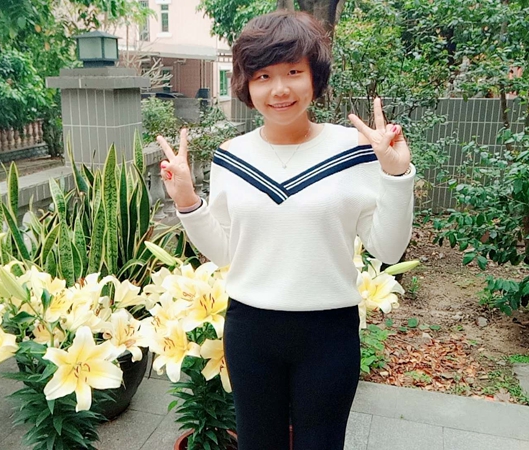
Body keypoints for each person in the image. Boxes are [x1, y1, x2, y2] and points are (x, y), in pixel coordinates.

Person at [155, 10, 415, 450]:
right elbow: (225, 252)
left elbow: (387, 249)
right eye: (263, 76)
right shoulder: (230, 156)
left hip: (328, 333)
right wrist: (186, 200)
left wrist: (396, 175)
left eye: (294, 71)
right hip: (251, 329)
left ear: (315, 77)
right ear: (247, 85)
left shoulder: (356, 149)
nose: (279, 89)